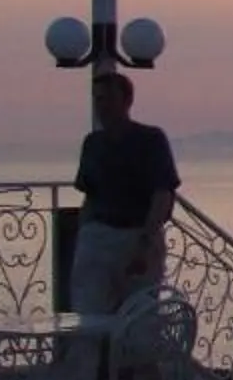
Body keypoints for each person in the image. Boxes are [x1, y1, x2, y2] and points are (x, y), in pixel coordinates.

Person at [71, 72, 179, 318]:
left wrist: (146, 242)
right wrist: (85, 233)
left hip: (136, 236)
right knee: (89, 314)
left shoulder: (150, 140)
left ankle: (133, 358)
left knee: (139, 317)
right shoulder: (92, 144)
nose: (102, 106)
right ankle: (92, 357)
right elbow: (89, 195)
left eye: (108, 98)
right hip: (97, 238)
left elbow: (163, 194)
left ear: (127, 100)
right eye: (97, 99)